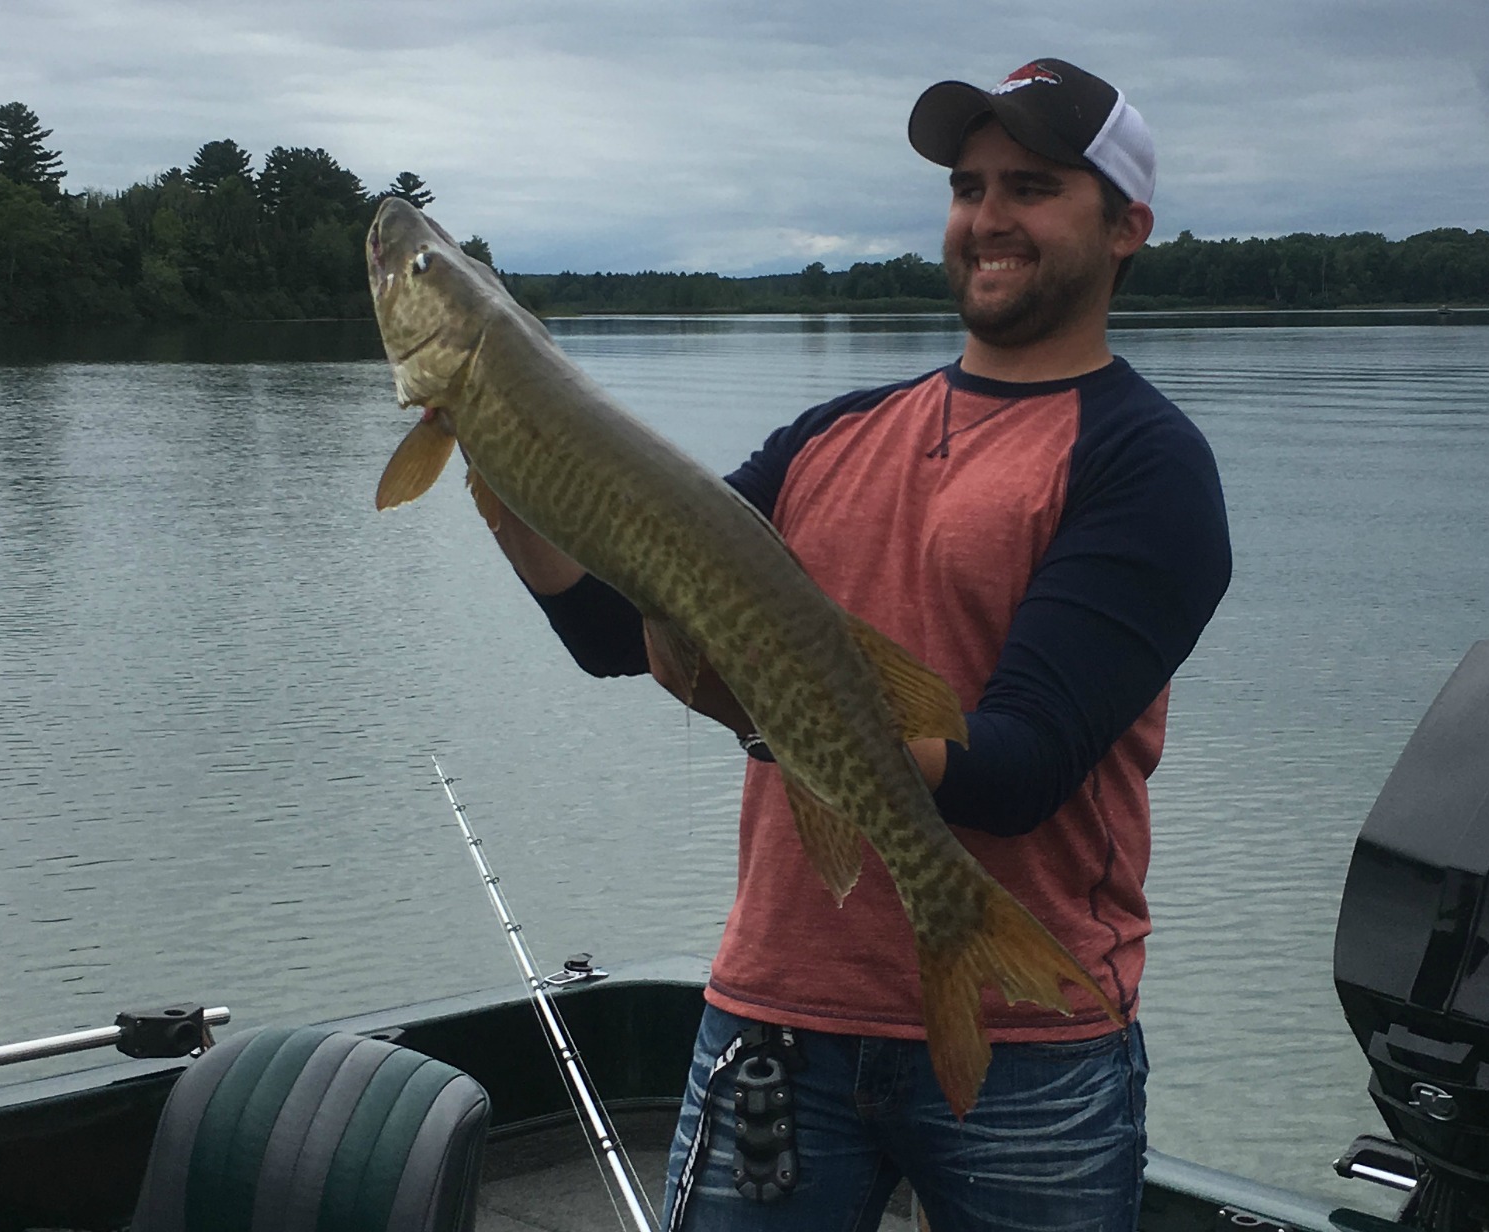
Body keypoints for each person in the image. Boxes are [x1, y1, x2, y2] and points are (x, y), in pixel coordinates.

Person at [484, 57, 1231, 1232]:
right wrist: (501, 457)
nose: (987, 219)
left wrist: (770, 709)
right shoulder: (828, 436)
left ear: (1127, 224)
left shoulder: (1149, 464)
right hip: (774, 1020)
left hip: (1030, 1045)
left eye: (1031, 186)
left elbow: (1019, 766)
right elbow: (613, 632)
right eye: (969, 186)